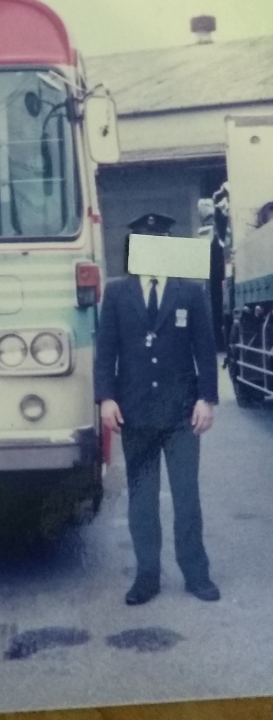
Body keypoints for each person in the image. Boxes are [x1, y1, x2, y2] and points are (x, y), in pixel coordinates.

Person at [95, 211, 220, 605]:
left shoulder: (190, 292)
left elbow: (206, 348)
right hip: (136, 414)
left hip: (182, 414)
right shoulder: (116, 293)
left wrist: (207, 399)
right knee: (143, 500)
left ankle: (196, 575)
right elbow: (105, 353)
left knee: (187, 499)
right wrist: (107, 398)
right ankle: (147, 576)